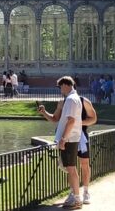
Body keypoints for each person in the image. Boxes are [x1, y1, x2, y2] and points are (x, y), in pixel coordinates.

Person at [38, 76, 84, 209]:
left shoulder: (70, 99)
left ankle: (77, 200)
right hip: (70, 138)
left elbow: (71, 121)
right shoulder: (71, 99)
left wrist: (63, 139)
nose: (60, 90)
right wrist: (44, 112)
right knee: (70, 169)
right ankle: (74, 197)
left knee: (71, 169)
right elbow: (55, 119)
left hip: (69, 139)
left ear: (66, 85)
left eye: (60, 87)